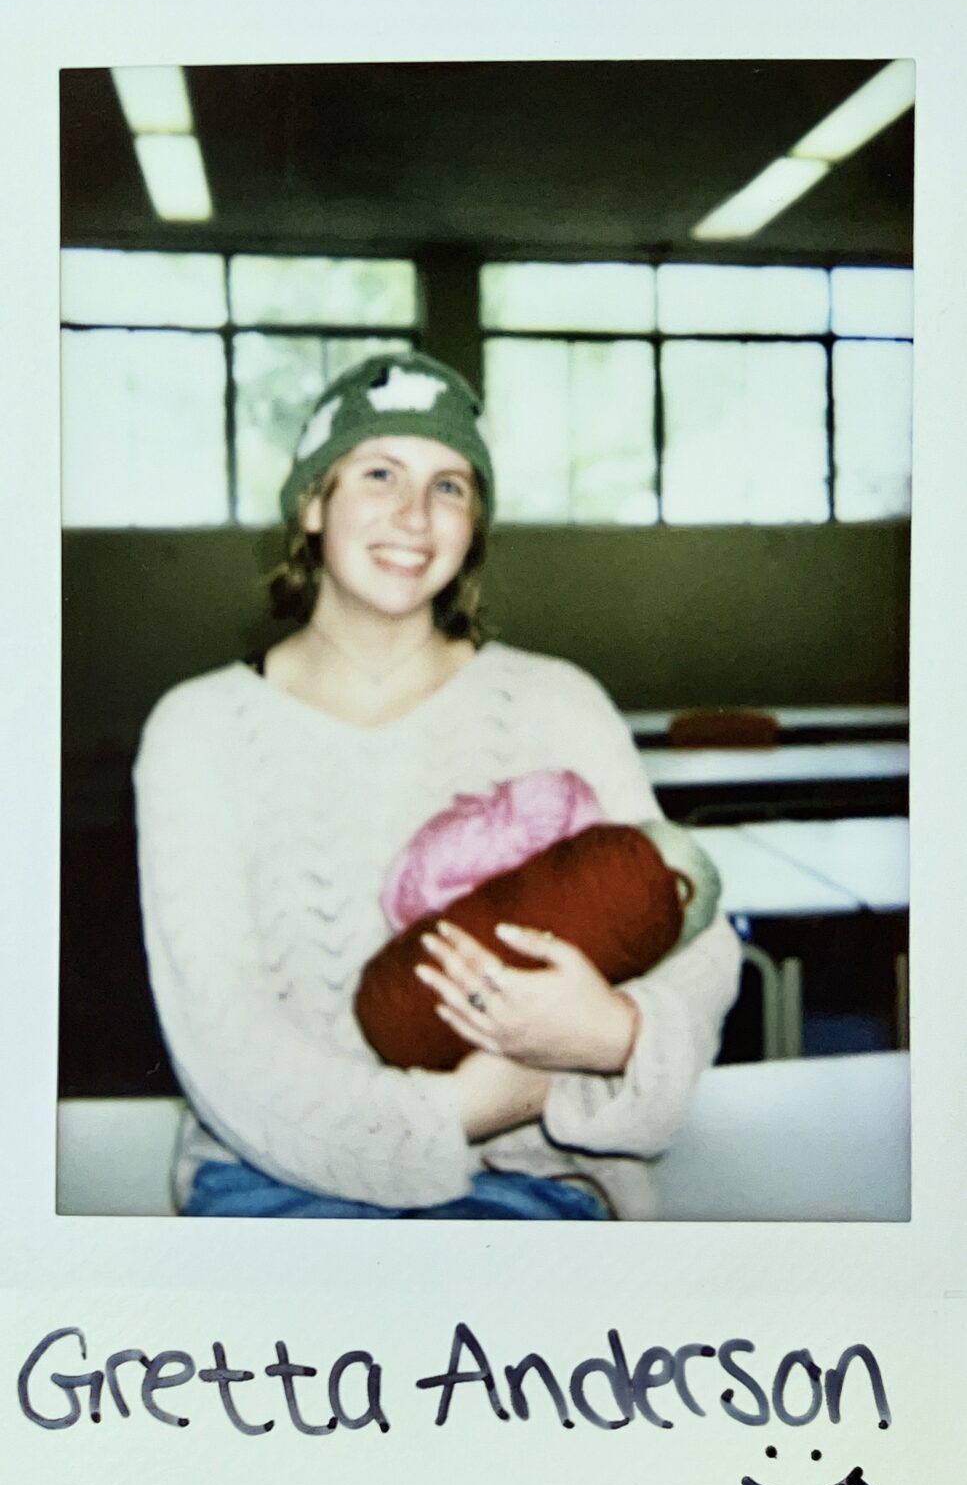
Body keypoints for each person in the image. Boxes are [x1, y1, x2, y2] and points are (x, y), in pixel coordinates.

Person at [133, 351, 741, 1220]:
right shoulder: (198, 732)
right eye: (379, 473)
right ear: (311, 503)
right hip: (275, 1175)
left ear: (474, 526)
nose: (414, 514)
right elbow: (221, 1030)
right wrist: (460, 1108)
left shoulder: (557, 703)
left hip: (532, 1174)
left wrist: (612, 1032)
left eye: (449, 486)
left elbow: (698, 936)